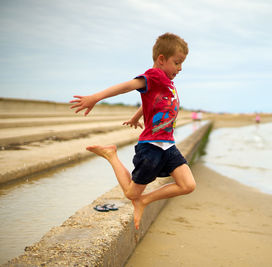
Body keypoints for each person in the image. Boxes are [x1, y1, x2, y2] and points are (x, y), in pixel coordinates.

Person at [69, 33, 195, 230]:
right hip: (151, 147)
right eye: (177, 62)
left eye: (181, 64)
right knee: (130, 193)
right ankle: (111, 155)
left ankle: (145, 201)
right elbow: (127, 86)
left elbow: (152, 101)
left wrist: (137, 117)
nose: (180, 68)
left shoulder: (166, 82)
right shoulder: (154, 75)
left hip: (168, 145)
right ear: (161, 59)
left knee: (188, 185)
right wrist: (96, 97)